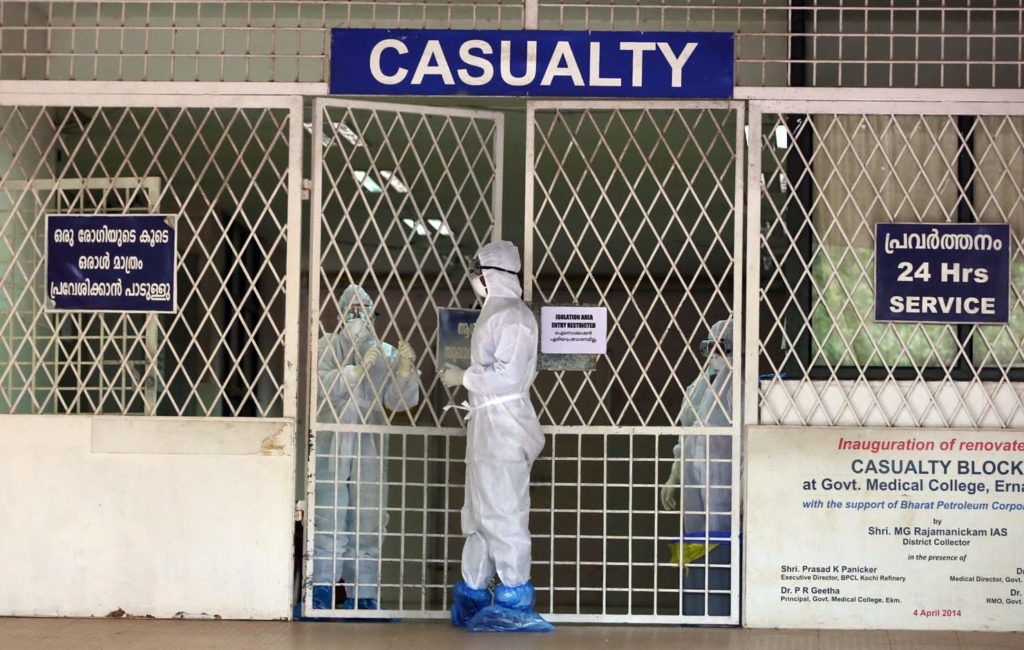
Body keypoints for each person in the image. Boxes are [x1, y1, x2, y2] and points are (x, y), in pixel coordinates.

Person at [439, 241, 553, 633]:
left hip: (504, 423)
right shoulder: (495, 314)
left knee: (503, 511)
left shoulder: (513, 317)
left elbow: (507, 375)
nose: (474, 281)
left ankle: (514, 599)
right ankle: (473, 594)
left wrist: (464, 377)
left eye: (477, 274)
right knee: (478, 514)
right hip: (487, 423)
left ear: (490, 274)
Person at [312, 284, 419, 612]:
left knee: (368, 517)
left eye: (365, 310)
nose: (359, 316)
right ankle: (320, 592)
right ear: (342, 314)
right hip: (331, 441)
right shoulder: (326, 345)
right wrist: (353, 372)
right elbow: (317, 384)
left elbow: (399, 402)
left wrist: (404, 371)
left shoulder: (386, 352)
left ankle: (364, 595)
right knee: (327, 513)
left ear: (374, 315)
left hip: (369, 442)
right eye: (352, 310)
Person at [661, 319, 733, 537]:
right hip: (693, 464)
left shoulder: (740, 385)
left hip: (724, 468)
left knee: (723, 532)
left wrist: (745, 479)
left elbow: (749, 439)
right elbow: (686, 432)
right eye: (710, 347)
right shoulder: (697, 385)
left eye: (720, 347)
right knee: (695, 531)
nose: (714, 353)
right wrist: (675, 474)